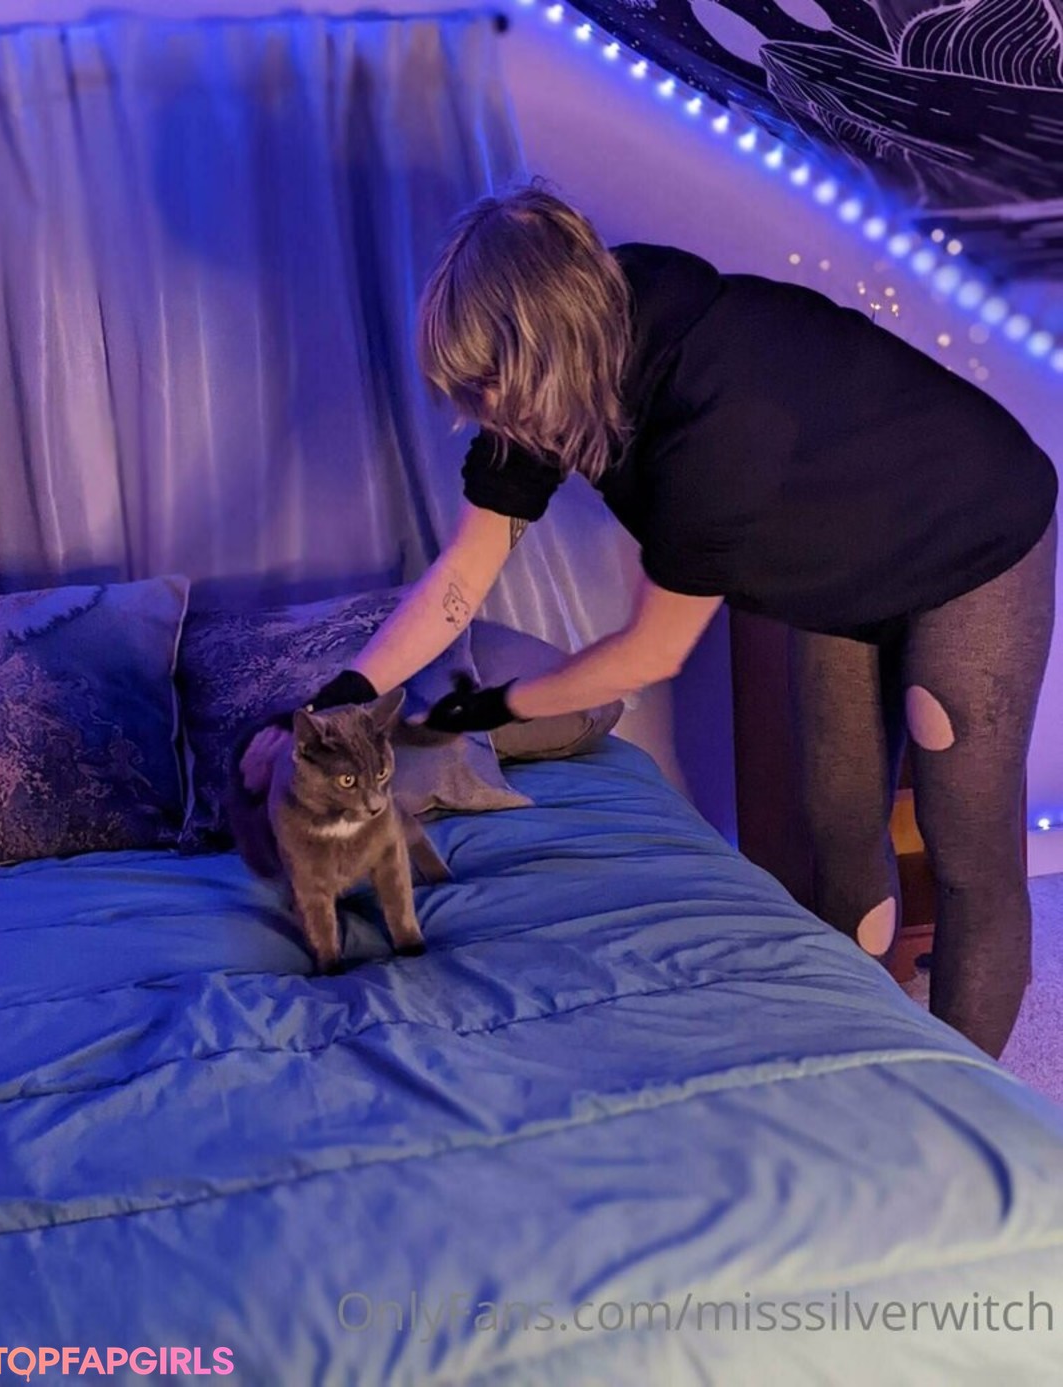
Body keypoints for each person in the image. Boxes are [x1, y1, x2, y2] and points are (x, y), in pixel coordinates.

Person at [242, 180, 1058, 1059]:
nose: (484, 413)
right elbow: (462, 576)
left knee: (965, 845)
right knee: (837, 820)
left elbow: (650, 651)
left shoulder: (716, 417)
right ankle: (867, 1051)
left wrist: (493, 706)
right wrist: (342, 694)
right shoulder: (561, 363)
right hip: (838, 562)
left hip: (968, 528)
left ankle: (968, 1100)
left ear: (547, 346)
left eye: (493, 387)